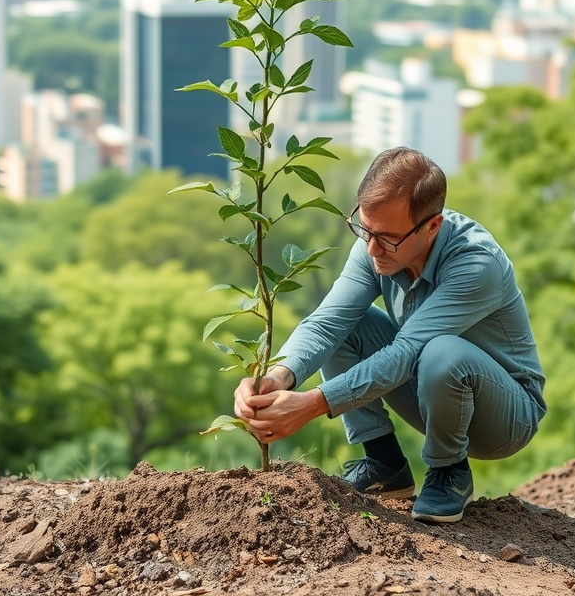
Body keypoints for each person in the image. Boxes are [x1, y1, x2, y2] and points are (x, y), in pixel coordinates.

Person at [233, 147, 547, 523]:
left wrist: (313, 404)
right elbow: (327, 322)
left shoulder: (477, 263)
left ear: (432, 226)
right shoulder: (376, 244)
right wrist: (275, 376)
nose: (371, 248)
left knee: (441, 351)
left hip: (504, 417)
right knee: (351, 324)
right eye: (365, 229)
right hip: (432, 391)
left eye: (387, 238)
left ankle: (449, 472)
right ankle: (385, 463)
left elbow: (407, 352)